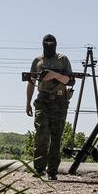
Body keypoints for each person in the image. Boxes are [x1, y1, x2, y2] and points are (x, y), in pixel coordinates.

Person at [25, 34, 74, 180]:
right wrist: (27, 102)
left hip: (59, 101)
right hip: (42, 100)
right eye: (46, 43)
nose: (49, 45)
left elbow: (69, 81)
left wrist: (53, 75)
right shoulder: (37, 61)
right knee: (41, 134)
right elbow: (31, 81)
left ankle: (52, 171)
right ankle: (39, 168)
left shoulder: (63, 60)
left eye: (51, 43)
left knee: (56, 137)